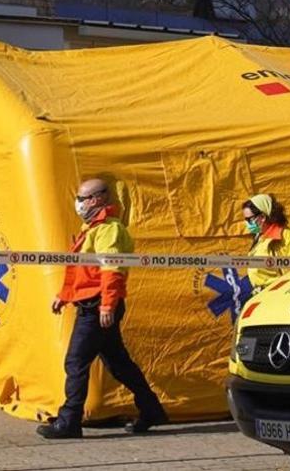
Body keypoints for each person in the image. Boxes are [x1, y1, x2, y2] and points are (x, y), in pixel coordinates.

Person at [37, 178, 168, 439]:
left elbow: (112, 271)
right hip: (92, 304)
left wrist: (107, 304)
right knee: (119, 363)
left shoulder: (109, 230)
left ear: (97, 199)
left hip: (98, 306)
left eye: (82, 198)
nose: (79, 203)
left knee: (76, 362)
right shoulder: (92, 229)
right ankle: (151, 409)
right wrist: (64, 295)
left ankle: (69, 421)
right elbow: (82, 271)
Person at [242, 194, 290, 291]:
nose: (247, 223)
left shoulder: (287, 237)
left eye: (249, 219)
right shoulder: (260, 237)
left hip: (280, 295)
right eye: (245, 219)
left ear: (262, 217)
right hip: (262, 294)